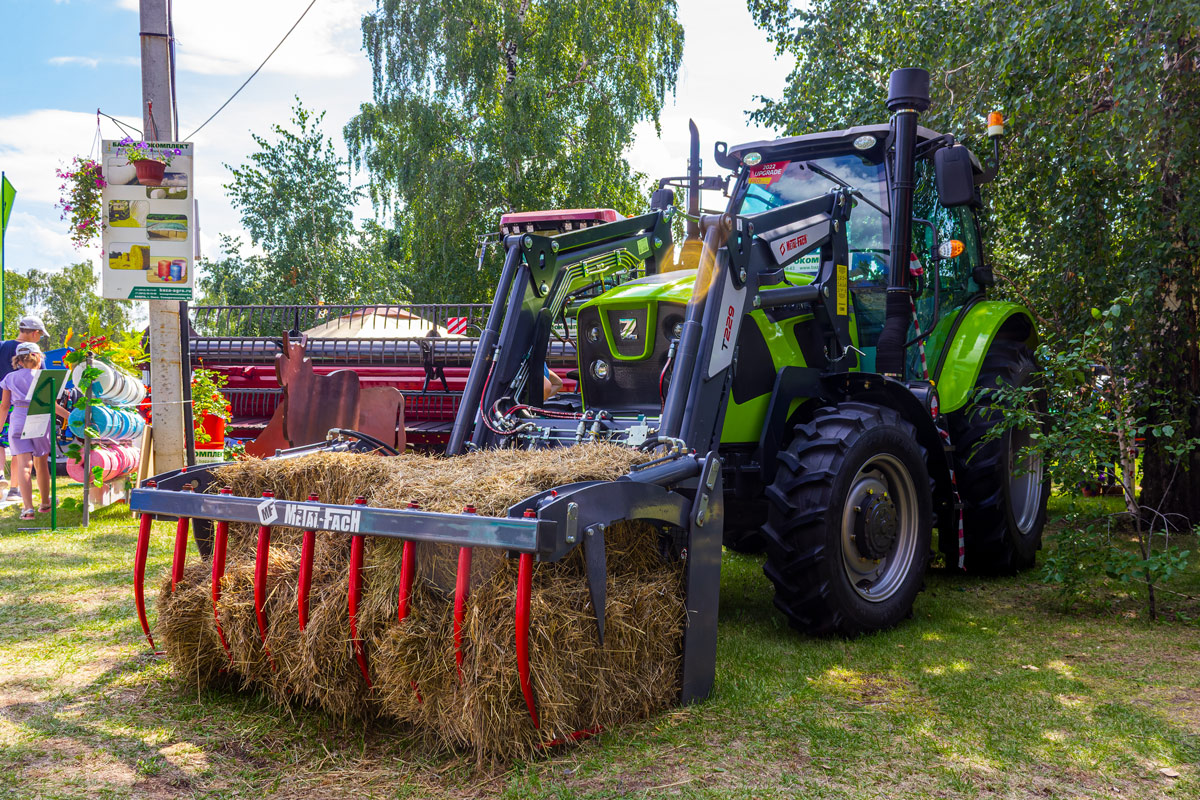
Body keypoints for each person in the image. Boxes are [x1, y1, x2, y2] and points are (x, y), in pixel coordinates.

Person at [0, 341, 67, 519]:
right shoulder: (45, 378)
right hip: (40, 419)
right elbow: (52, 406)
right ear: (38, 358)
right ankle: (45, 503)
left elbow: (4, 406)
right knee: (41, 463)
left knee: (24, 464)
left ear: (18, 361)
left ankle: (28, 509)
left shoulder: (9, 378)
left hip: (18, 420)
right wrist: (72, 416)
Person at [0, 316, 47, 501]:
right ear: (35, 333)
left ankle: (0, 477)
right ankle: (14, 489)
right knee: (21, 449)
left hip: (3, 401)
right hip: (25, 407)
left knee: (2, 442)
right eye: (41, 335)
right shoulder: (36, 354)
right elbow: (43, 382)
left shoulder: (2, 346)